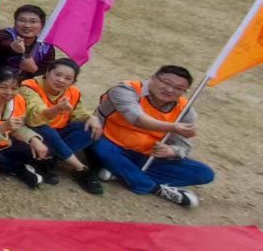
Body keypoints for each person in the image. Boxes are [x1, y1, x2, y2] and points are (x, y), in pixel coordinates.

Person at [83, 66, 213, 208]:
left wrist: (171, 151)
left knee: (204, 173)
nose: (170, 90)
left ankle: (121, 173)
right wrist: (173, 127)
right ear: (153, 77)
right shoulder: (126, 90)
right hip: (110, 143)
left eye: (179, 88)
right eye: (166, 82)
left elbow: (183, 145)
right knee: (100, 147)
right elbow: (138, 119)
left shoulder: (185, 110)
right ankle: (154, 188)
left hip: (147, 156)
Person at [21, 57, 100, 192]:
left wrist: (91, 117)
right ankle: (81, 168)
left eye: (68, 78)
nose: (61, 80)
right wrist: (57, 109)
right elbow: (34, 118)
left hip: (58, 134)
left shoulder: (73, 92)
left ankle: (46, 161)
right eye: (57, 75)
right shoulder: (29, 86)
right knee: (46, 130)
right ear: (47, 72)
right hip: (34, 133)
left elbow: (78, 114)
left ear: (73, 82)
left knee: (89, 128)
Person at [0, 4, 55, 80]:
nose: (27, 25)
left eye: (33, 22)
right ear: (15, 22)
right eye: (22, 20)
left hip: (22, 86)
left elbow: (48, 75)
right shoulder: (2, 35)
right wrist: (12, 47)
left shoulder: (46, 48)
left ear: (42, 25)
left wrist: (34, 70)